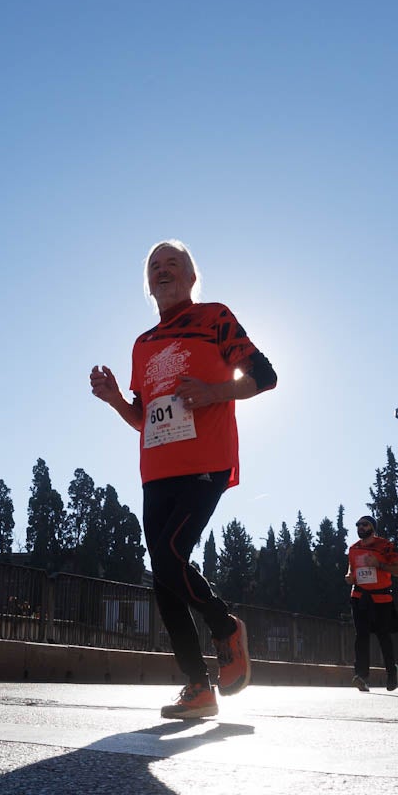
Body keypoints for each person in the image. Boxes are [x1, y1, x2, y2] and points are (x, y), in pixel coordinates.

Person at [90, 240, 277, 719]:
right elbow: (143, 417)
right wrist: (114, 398)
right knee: (164, 579)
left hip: (205, 462)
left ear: (192, 277)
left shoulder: (215, 317)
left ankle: (224, 627)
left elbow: (265, 375)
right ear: (147, 284)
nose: (163, 269)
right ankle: (198, 687)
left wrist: (214, 391)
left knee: (172, 557)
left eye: (173, 263)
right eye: (154, 265)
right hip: (156, 470)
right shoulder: (142, 344)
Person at [346, 515, 398, 691]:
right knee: (361, 636)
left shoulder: (385, 546)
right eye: (358, 525)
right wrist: (349, 576)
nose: (360, 527)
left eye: (365, 525)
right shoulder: (353, 548)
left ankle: (391, 672)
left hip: (381, 598)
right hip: (359, 597)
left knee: (383, 636)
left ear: (373, 527)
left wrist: (379, 564)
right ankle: (361, 676)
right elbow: (351, 567)